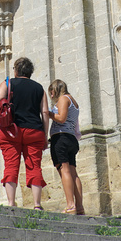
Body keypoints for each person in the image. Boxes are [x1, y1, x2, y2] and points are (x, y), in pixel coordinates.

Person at [0, 57, 49, 209]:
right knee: (34, 166)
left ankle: (11, 203)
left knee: (11, 165)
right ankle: (37, 204)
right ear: (30, 72)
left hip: (11, 130)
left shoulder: (8, 83)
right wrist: (45, 135)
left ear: (16, 70)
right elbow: (44, 112)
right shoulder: (39, 88)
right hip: (34, 131)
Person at [48, 79, 84, 215]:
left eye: (51, 91)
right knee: (73, 173)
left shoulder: (63, 98)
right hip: (71, 139)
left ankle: (70, 205)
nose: (51, 95)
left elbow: (61, 118)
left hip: (61, 138)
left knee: (65, 171)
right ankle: (79, 207)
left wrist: (48, 113)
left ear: (56, 89)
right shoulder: (74, 102)